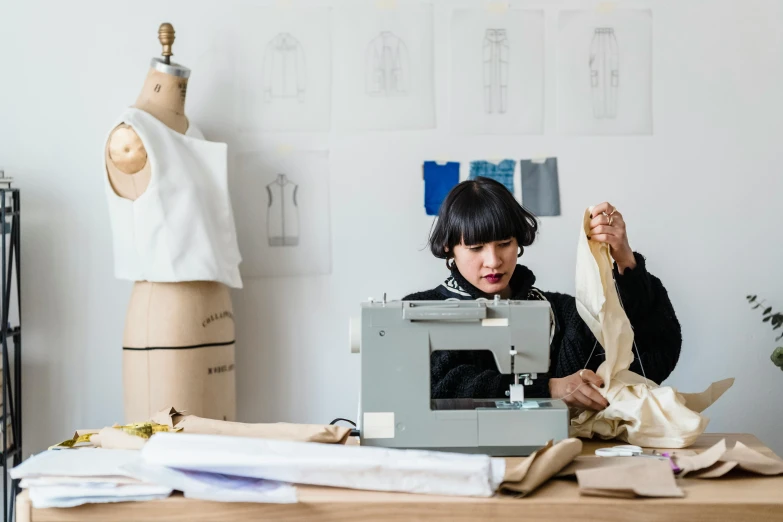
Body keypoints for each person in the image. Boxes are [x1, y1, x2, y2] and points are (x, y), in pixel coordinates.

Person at [404, 177, 681, 412]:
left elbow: (650, 357)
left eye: (504, 244)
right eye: (475, 248)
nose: (493, 261)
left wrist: (624, 259)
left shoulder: (563, 314)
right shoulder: (415, 312)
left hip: (555, 457)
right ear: (448, 248)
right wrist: (548, 388)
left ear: (519, 242)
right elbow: (434, 384)